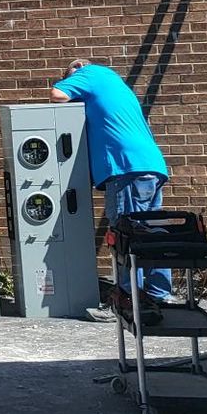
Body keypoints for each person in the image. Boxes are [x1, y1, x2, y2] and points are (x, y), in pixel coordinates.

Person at [50, 59, 174, 308]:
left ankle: (129, 299)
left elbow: (57, 94)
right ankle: (159, 294)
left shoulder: (90, 73)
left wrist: (68, 83)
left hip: (125, 167)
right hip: (149, 166)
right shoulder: (116, 84)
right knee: (150, 233)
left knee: (125, 233)